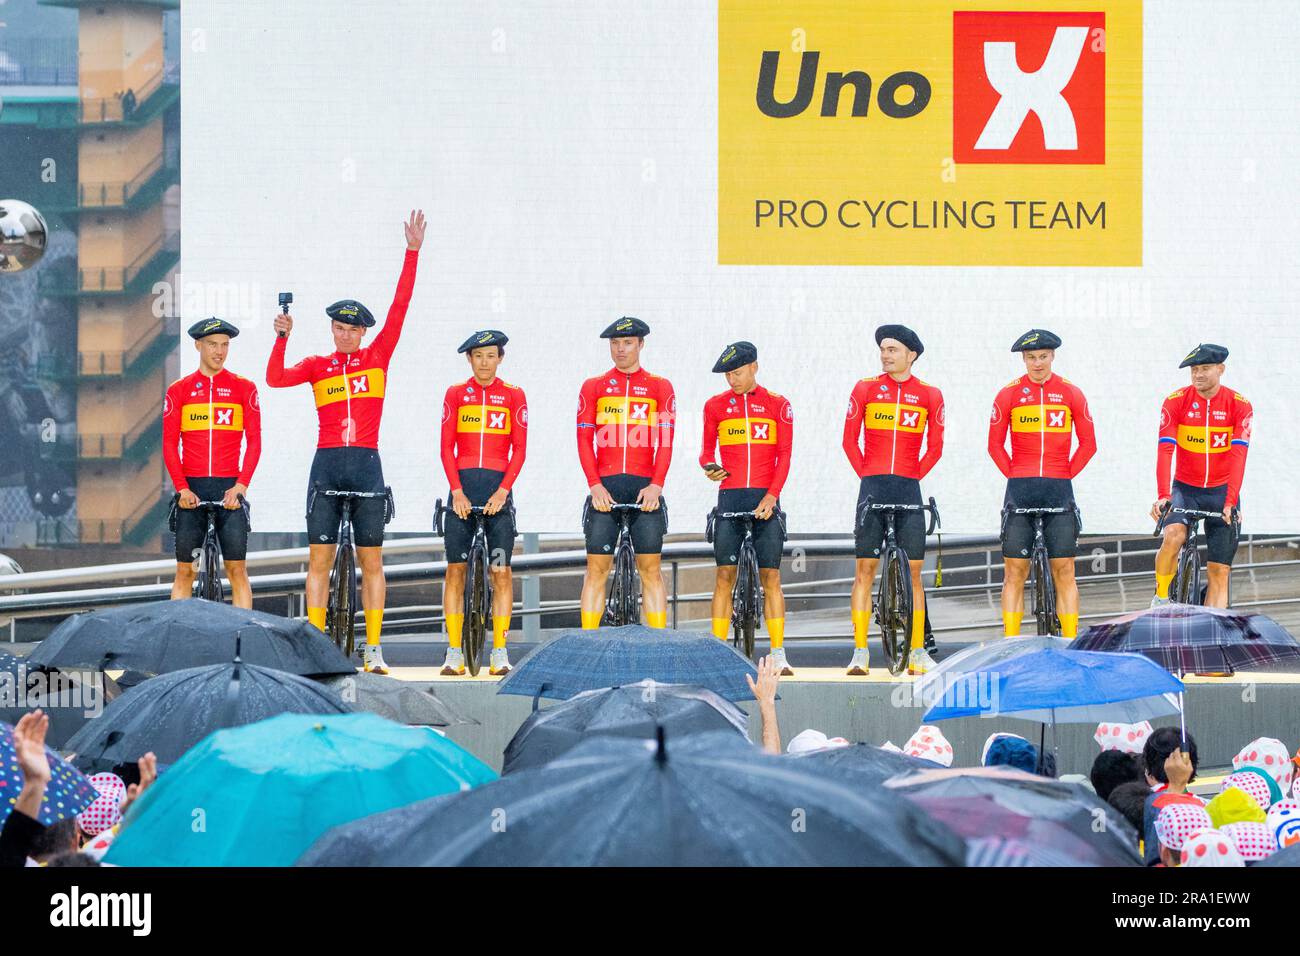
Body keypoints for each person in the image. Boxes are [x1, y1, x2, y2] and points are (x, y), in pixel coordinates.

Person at [267, 210, 425, 674]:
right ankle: (315, 645)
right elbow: (275, 378)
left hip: (366, 464)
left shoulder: (378, 355)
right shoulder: (317, 364)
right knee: (319, 563)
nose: (347, 334)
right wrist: (281, 340)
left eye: (354, 329)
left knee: (372, 563)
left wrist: (411, 253)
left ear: (364, 333)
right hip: (328, 465)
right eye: (340, 328)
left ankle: (373, 648)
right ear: (332, 330)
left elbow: (400, 306)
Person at [842, 324, 945, 675]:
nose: (885, 355)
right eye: (883, 349)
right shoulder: (865, 388)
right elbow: (849, 441)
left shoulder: (930, 394)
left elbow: (936, 446)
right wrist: (868, 475)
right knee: (864, 571)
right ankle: (859, 651)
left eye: (893, 350)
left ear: (911, 354)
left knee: (915, 574)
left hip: (908, 487)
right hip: (872, 486)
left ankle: (917, 651)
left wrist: (913, 475)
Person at [988, 329, 1096, 639]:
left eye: (1043, 357)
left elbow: (1088, 444)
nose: (1038, 363)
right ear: (1023, 359)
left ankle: (1070, 641)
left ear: (1053, 356)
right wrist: (1016, 474)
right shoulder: (1007, 394)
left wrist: (1064, 473)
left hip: (1058, 488)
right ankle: (1010, 643)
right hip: (1020, 489)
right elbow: (995, 445)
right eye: (1032, 357)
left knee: (1064, 570)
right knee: (1014, 573)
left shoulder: (1071, 392)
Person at [700, 341, 794, 673]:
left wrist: (772, 496)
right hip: (730, 497)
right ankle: (716, 650)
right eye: (728, 374)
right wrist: (710, 466)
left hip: (765, 497)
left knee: (771, 576)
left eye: (737, 372)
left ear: (754, 366)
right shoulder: (714, 406)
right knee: (724, 575)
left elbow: (784, 455)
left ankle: (779, 652)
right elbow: (705, 452)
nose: (732, 380)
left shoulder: (778, 405)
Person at [576, 317, 675, 629]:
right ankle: (589, 646)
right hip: (605, 488)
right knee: (596, 570)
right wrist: (594, 485)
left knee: (651, 570)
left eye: (628, 342)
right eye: (615, 343)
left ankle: (658, 646)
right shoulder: (594, 386)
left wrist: (656, 485)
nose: (621, 349)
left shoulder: (660, 386)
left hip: (644, 488)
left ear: (641, 344)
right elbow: (583, 439)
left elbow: (666, 442)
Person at [438, 330, 527, 676]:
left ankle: (500, 651)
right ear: (469, 359)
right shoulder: (456, 394)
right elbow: (446, 447)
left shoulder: (514, 395)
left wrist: (504, 490)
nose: (485, 362)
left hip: (498, 494)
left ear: (500, 358)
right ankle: (454, 651)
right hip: (463, 490)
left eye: (491, 355)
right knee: (455, 571)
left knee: (501, 572)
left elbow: (519, 448)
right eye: (478, 356)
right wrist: (456, 491)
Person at [163, 317, 261, 608]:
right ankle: (177, 631)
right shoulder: (179, 390)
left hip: (228, 490)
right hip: (191, 491)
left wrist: (241, 486)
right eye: (212, 345)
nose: (219, 351)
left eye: (225, 345)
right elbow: (169, 444)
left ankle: (243, 635)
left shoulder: (244, 387)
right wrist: (181, 488)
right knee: (185, 572)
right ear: (198, 345)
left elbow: (254, 442)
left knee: (237, 570)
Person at [1150, 344, 1253, 608]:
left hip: (1222, 492)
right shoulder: (1176, 401)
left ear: (1221, 369)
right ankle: (1160, 597)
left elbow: (1238, 457)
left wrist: (1230, 501)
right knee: (1173, 535)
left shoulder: (1239, 405)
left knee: (1220, 572)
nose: (1198, 375)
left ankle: (1211, 629)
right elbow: (1165, 450)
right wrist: (1163, 496)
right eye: (1194, 370)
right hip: (1186, 489)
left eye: (1205, 368)